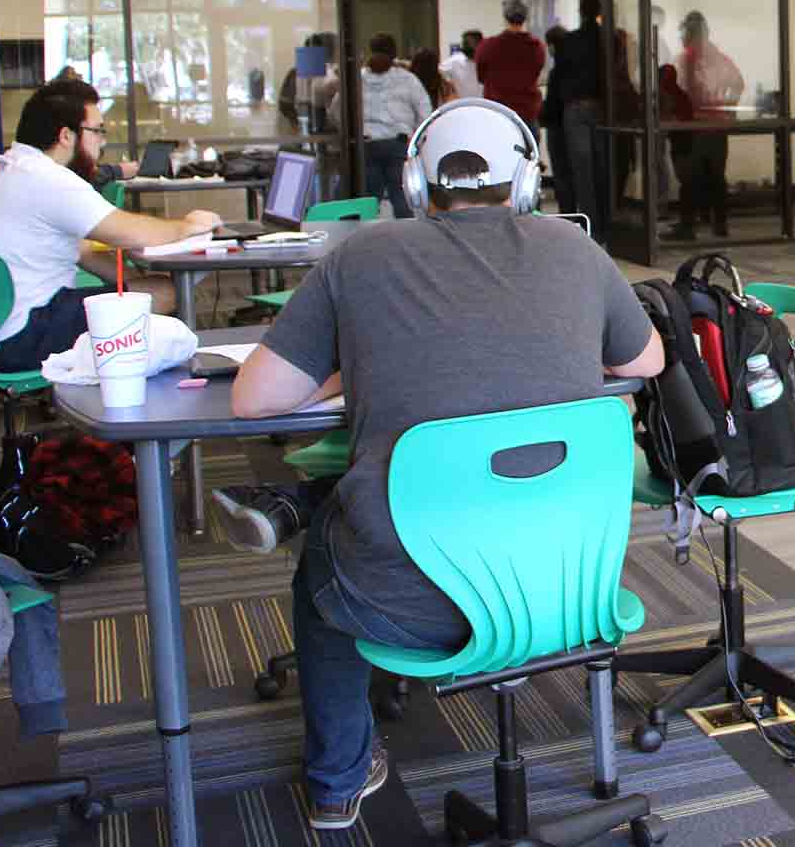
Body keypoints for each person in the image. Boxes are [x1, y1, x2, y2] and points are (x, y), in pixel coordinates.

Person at [222, 99, 665, 830]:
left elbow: (254, 400)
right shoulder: (575, 248)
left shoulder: (359, 256)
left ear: (415, 185)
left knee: (320, 570)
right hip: (569, 583)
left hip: (410, 603)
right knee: (405, 475)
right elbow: (644, 359)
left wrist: (351, 361)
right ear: (527, 182)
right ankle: (602, 767)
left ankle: (337, 780)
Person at [0, 83, 220, 371]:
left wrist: (130, 284)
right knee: (167, 292)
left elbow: (83, 251)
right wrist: (188, 226)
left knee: (150, 291)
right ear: (66, 136)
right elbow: (128, 232)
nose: (102, 141)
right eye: (98, 130)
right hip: (22, 336)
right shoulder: (47, 179)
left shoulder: (4, 169)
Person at [330, 33, 431, 219]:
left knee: (368, 205)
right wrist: (417, 141)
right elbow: (425, 113)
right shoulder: (408, 79)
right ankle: (408, 242)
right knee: (404, 202)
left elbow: (337, 111)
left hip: (367, 146)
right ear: (394, 53)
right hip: (398, 146)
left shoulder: (356, 80)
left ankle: (369, 242)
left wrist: (353, 132)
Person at [668, 10, 743, 240]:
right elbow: (739, 83)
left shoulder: (687, 57)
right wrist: (727, 105)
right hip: (717, 124)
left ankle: (688, 226)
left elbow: (681, 88)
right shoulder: (718, 56)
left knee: (690, 177)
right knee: (716, 176)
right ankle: (720, 225)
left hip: (695, 125)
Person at [551, 0, 614, 234]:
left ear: (580, 11)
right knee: (604, 167)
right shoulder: (608, 39)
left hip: (576, 108)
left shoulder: (570, 41)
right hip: (604, 108)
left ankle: (590, 225)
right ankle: (607, 225)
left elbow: (559, 77)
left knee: (582, 170)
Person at [475, 0, 546, 132]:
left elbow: (481, 77)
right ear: (525, 18)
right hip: (527, 114)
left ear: (505, 18)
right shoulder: (536, 47)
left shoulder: (488, 46)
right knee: (528, 151)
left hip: (498, 114)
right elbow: (537, 71)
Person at [539, 24, 571, 213]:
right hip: (571, 128)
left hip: (557, 127)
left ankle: (567, 212)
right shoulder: (574, 67)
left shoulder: (557, 71)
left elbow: (552, 104)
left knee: (561, 173)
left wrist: (542, 116)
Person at [439, 29, 485, 100]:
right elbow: (439, 72)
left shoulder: (488, 60)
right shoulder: (454, 61)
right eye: (465, 43)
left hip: (485, 105)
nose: (468, 45)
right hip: (463, 104)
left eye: (472, 43)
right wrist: (450, 89)